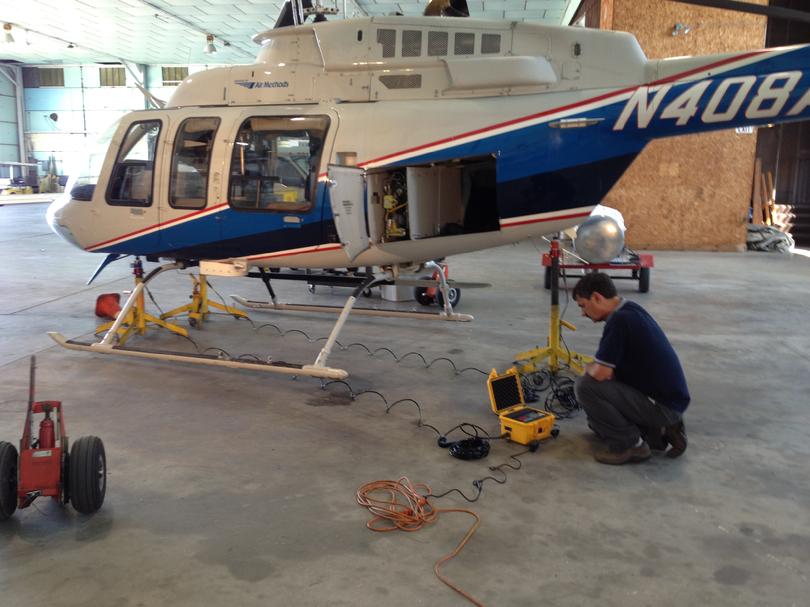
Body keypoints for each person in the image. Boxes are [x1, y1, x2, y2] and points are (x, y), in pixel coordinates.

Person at [572, 272, 690, 465]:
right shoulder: (630, 309)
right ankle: (660, 430)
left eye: (583, 305)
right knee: (596, 423)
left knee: (586, 386)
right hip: (669, 401)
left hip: (663, 406)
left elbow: (601, 373)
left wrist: (589, 368)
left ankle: (630, 445)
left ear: (597, 297)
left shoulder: (619, 322)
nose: (583, 313)